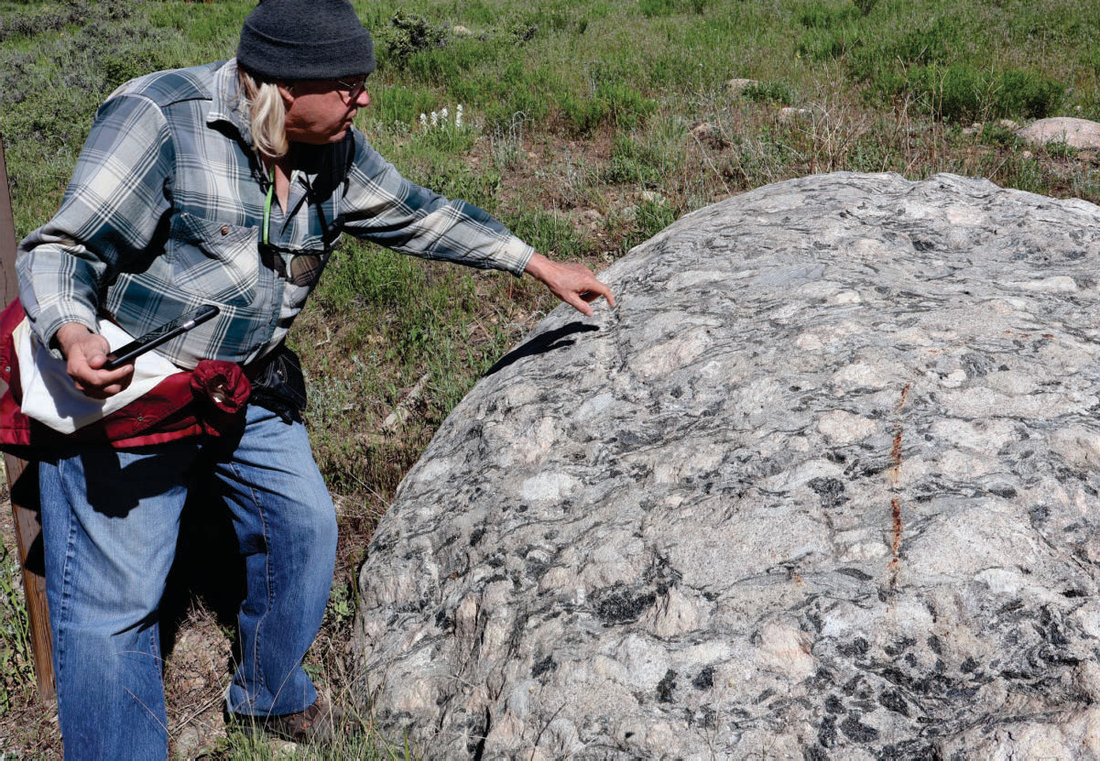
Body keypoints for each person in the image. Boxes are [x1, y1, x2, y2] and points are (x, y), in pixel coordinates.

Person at [13, 0, 615, 756]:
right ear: (282, 87)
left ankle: (267, 695)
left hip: (243, 384)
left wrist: (536, 263)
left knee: (304, 526)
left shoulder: (333, 148)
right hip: (134, 391)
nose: (365, 98)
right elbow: (62, 248)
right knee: (115, 605)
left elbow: (415, 212)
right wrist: (71, 330)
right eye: (349, 84)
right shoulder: (160, 117)